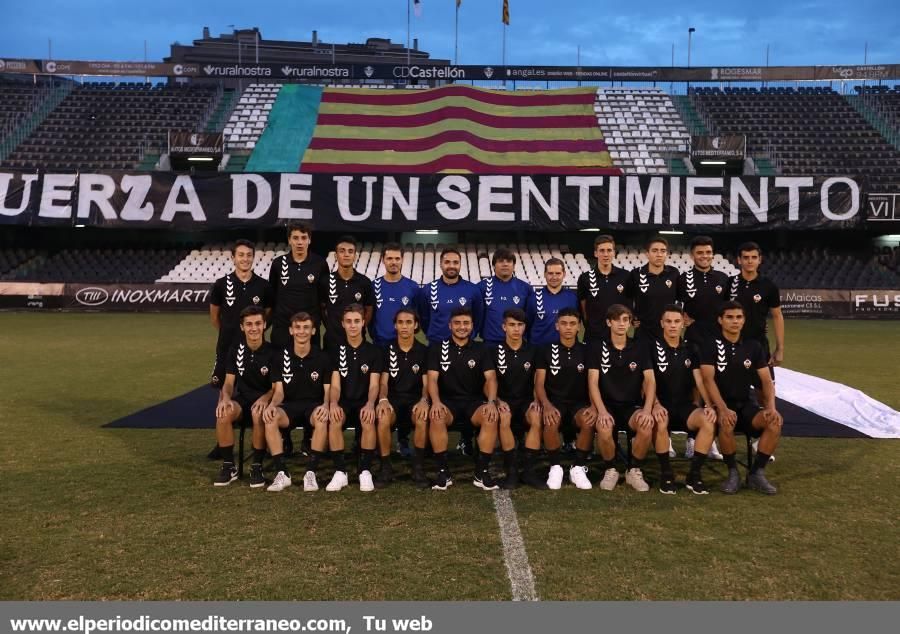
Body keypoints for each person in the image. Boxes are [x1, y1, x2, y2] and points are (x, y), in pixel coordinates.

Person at [701, 301, 783, 495]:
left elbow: (766, 381)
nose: (734, 321)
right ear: (720, 320)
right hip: (721, 405)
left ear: (744, 320)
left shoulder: (753, 346)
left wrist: (771, 407)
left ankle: (756, 473)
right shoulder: (710, 344)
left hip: (747, 405)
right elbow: (708, 380)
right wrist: (721, 409)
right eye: (729, 317)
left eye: (739, 317)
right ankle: (733, 473)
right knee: (727, 423)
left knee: (774, 423)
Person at [426, 306, 500, 491]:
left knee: (491, 416)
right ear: (450, 325)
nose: (462, 327)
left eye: (466, 323)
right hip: (447, 402)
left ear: (472, 325)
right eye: (457, 323)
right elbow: (432, 379)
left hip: (474, 402)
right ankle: (443, 472)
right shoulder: (437, 348)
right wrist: (435, 402)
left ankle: (481, 473)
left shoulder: (481, 348)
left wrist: (491, 402)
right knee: (436, 416)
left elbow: (491, 378)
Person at [418, 246, 483, 456]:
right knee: (438, 391)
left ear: (460, 265)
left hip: (465, 347)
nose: (451, 266)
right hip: (437, 347)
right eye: (448, 262)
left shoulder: (472, 290)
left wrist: (469, 337)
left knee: (468, 391)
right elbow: (425, 317)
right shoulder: (429, 289)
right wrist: (435, 335)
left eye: (455, 262)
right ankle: (431, 439)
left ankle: (466, 438)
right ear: (441, 264)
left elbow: (478, 317)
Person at [586, 304, 657, 492]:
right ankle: (611, 469)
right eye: (617, 320)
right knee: (603, 425)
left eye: (625, 320)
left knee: (646, 424)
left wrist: (647, 410)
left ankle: (634, 470)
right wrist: (601, 411)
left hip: (631, 405)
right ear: (609, 322)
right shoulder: (597, 347)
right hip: (607, 405)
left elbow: (650, 381)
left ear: (630, 324)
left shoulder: (640, 347)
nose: (621, 324)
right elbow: (592, 382)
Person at [261, 312, 333, 492]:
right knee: (270, 418)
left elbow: (327, 391)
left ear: (314, 330)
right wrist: (272, 405)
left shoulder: (323, 357)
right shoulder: (279, 357)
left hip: (313, 406)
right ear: (291, 330)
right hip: (289, 408)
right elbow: (278, 392)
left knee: (322, 418)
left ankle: (311, 472)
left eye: (306, 327)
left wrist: (325, 405)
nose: (302, 331)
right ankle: (282, 473)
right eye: (298, 327)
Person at [650, 305, 718, 494]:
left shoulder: (691, 348)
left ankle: (694, 474)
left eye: (677, 321)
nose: (673, 325)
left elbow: (699, 380)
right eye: (669, 321)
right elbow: (647, 382)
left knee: (708, 421)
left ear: (683, 324)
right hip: (661, 405)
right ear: (662, 323)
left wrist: (709, 406)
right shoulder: (651, 347)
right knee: (661, 421)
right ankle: (666, 473)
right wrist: (654, 405)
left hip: (684, 406)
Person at [212, 306, 277, 487]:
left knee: (258, 412)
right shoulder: (235, 350)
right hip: (243, 401)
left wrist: (265, 399)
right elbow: (229, 382)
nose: (253, 328)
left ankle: (257, 466)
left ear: (264, 325)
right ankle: (228, 466)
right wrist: (225, 398)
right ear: (242, 327)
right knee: (223, 413)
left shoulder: (273, 352)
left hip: (266, 401)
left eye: (257, 323)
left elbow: (276, 388)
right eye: (249, 324)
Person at [677, 235, 729, 461]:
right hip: (694, 340)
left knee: (717, 388)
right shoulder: (683, 279)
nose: (704, 256)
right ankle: (691, 440)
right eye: (700, 253)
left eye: (708, 252)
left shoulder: (723, 279)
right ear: (692, 255)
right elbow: (671, 304)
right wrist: (682, 318)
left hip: (719, 342)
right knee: (694, 391)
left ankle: (711, 440)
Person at [531, 308, 594, 490]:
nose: (568, 327)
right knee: (551, 421)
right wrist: (547, 405)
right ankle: (555, 466)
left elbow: (592, 383)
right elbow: (539, 384)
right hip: (554, 402)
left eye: (572, 324)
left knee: (589, 420)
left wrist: (593, 406)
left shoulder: (587, 351)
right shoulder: (545, 350)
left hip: (579, 403)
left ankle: (578, 467)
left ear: (579, 327)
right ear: (557, 326)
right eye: (564, 323)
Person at [326, 304, 384, 492]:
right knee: (334, 420)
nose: (353, 325)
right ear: (342, 324)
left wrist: (370, 404)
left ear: (363, 322)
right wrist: (333, 403)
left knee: (368, 420)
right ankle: (340, 471)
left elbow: (375, 384)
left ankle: (365, 471)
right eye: (349, 321)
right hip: (343, 402)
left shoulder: (374, 351)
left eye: (356, 321)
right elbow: (335, 385)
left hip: (363, 402)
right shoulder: (336, 351)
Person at [371, 242, 421, 456]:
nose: (393, 262)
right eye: (389, 258)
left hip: (406, 348)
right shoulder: (374, 286)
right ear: (383, 260)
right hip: (381, 346)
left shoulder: (412, 287)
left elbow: (417, 316)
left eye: (397, 258)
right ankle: (370, 439)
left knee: (407, 391)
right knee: (381, 391)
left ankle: (403, 439)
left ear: (402, 260)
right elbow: (369, 314)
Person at [375, 308, 430, 489]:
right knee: (383, 418)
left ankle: (418, 466)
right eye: (400, 322)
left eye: (408, 322)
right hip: (392, 400)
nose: (404, 326)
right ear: (395, 325)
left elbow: (426, 384)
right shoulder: (386, 349)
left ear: (415, 325)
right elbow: (383, 382)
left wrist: (424, 400)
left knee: (422, 418)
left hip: (415, 400)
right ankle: (385, 467)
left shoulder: (424, 351)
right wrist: (383, 399)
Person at [208, 239, 273, 389]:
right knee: (224, 391)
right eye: (241, 255)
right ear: (233, 258)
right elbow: (214, 317)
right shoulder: (221, 284)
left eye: (249, 255)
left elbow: (268, 314)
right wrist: (227, 331)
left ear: (253, 257)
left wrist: (257, 331)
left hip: (255, 349)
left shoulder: (264, 286)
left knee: (255, 390)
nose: (245, 259)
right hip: (227, 346)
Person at [490, 308, 538, 489]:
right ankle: (511, 470)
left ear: (525, 327)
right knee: (504, 417)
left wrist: (536, 400)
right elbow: (488, 381)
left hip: (526, 401)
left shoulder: (533, 350)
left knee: (536, 417)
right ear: (504, 327)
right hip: (504, 400)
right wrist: (497, 400)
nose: (516, 329)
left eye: (520, 325)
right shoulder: (493, 351)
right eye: (511, 325)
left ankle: (529, 471)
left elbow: (538, 381)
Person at [268, 222, 330, 349]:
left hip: (309, 329)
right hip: (283, 328)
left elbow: (323, 299)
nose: (300, 242)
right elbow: (272, 296)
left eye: (303, 238)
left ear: (309, 240)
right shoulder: (278, 264)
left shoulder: (320, 264)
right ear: (289, 240)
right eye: (295, 238)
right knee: (281, 368)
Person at [321, 235, 375, 351]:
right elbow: (321, 308)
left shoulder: (364, 282)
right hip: (332, 343)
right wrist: (331, 327)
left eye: (350, 251)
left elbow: (369, 309)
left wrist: (359, 327)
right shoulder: (325, 282)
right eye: (342, 251)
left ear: (355, 256)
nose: (346, 254)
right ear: (336, 255)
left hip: (357, 342)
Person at [577, 234, 631, 342]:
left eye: (609, 250)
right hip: (594, 337)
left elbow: (630, 303)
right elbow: (583, 308)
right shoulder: (585, 278)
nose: (605, 254)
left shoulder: (625, 276)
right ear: (595, 253)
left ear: (614, 252)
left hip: (618, 337)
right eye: (601, 251)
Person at [627, 236, 679, 344]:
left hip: (668, 332)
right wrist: (631, 316)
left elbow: (682, 297)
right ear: (647, 253)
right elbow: (627, 298)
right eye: (655, 251)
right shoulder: (636, 274)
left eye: (663, 251)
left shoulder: (674, 273)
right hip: (643, 332)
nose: (659, 254)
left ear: (667, 254)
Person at [478, 248, 532, 347]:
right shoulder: (482, 287)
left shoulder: (525, 288)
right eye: (500, 261)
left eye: (509, 261)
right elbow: (477, 314)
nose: (505, 264)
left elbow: (529, 317)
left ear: (514, 265)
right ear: (493, 265)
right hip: (490, 343)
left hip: (516, 343)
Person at [525, 257, 578, 347]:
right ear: (545, 274)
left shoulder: (573, 298)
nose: (554, 277)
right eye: (550, 273)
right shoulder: (533, 298)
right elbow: (527, 325)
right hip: (539, 350)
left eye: (558, 273)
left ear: (564, 274)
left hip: (564, 350)